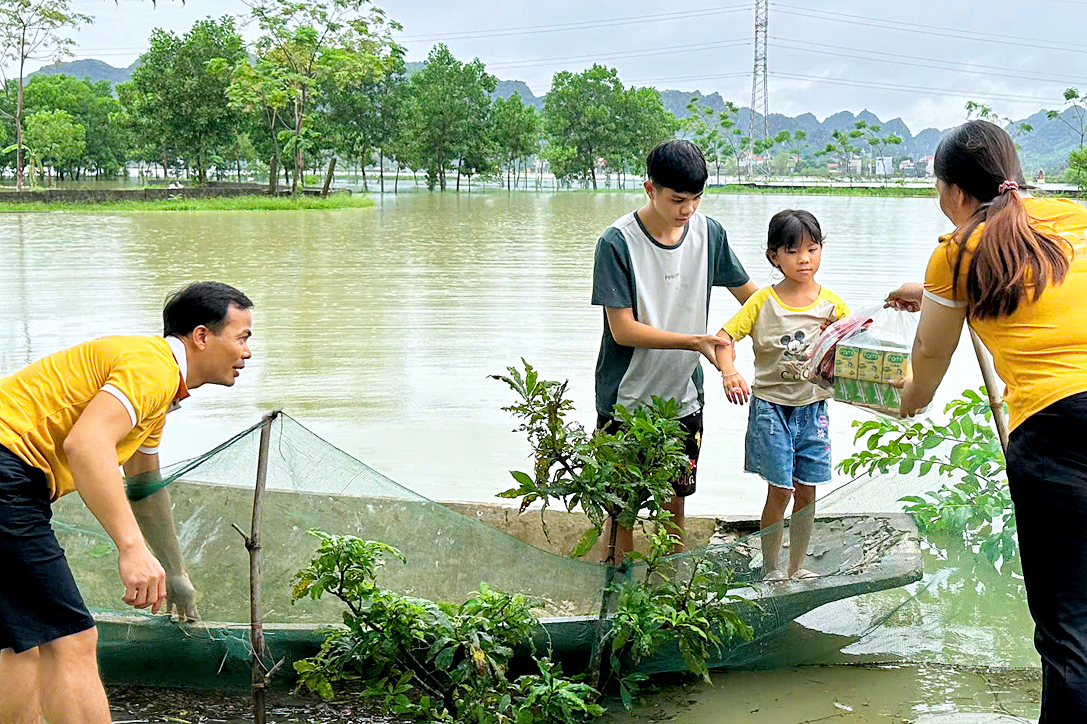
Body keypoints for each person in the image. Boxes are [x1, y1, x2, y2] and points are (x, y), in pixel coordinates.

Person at [884, 119, 1087, 723]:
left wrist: (908, 400)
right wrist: (935, 295)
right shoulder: (1072, 217)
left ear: (953, 192)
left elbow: (927, 360)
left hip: (1056, 433)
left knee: (1070, 633)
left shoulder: (958, 252)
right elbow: (1039, 286)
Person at [0, 281, 254, 724]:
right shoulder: (151, 368)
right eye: (242, 337)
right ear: (201, 336)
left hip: (12, 477)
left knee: (21, 644)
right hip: (7, 472)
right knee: (72, 640)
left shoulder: (156, 393)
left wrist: (174, 572)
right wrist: (132, 549)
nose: (248, 353)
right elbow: (87, 444)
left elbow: (144, 486)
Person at [592, 139, 758, 562]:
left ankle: (668, 587)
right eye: (678, 199)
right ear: (650, 190)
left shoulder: (709, 233)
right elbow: (624, 330)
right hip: (626, 400)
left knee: (675, 500)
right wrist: (695, 341)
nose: (689, 210)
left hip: (682, 397)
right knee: (621, 507)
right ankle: (618, 581)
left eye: (697, 198)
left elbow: (754, 301)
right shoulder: (617, 242)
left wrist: (816, 318)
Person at [716, 210, 849, 582]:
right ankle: (772, 568)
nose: (804, 259)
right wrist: (730, 372)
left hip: (813, 409)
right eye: (792, 251)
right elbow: (723, 341)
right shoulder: (762, 302)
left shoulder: (833, 307)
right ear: (774, 256)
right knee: (781, 490)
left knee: (807, 491)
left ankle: (798, 566)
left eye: (812, 248)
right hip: (771, 408)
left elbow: (854, 350)